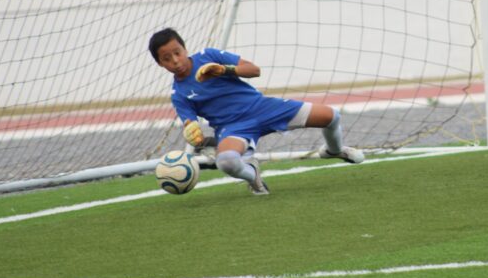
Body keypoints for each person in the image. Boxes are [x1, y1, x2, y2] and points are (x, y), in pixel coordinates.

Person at [149, 28, 365, 195]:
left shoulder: (209, 55)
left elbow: (254, 70)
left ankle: (333, 150)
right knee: (226, 162)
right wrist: (192, 131)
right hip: (233, 127)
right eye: (167, 58)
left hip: (263, 107)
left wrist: (224, 70)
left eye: (177, 53)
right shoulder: (178, 94)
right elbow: (191, 126)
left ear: (185, 49)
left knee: (331, 116)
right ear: (160, 64)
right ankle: (253, 176)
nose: (175, 61)